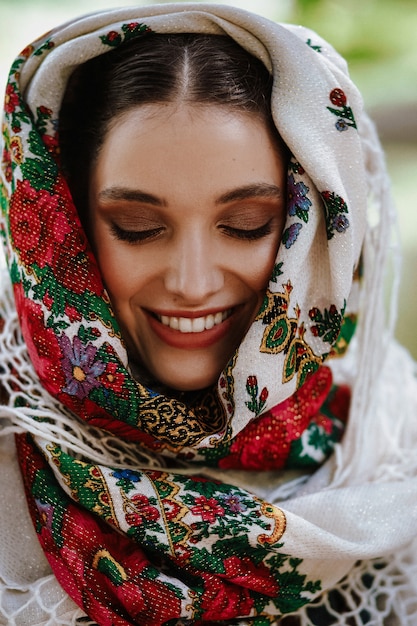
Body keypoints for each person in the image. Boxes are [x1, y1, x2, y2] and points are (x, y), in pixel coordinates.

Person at [0, 3, 416, 625]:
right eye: (137, 228)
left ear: (315, 235)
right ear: (68, 231)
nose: (192, 283)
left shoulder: (390, 445)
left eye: (245, 226)